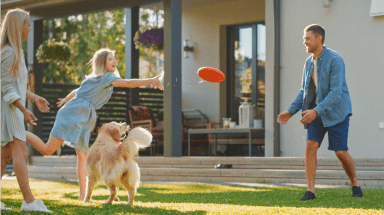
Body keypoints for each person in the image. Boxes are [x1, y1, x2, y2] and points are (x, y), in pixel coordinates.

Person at [26, 48, 164, 201]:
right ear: (102, 62)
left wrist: (66, 99)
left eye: (114, 59)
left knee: (82, 157)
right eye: (110, 59)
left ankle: (83, 196)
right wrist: (151, 80)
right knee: (48, 150)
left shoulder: (95, 79)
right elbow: (129, 83)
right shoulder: (107, 77)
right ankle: (21, 133)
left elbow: (78, 90)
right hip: (74, 114)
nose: (115, 62)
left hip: (81, 116)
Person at [277, 24, 363, 201]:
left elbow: (336, 93)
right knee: (310, 147)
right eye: (304, 38)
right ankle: (311, 191)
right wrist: (290, 111)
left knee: (340, 152)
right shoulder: (308, 63)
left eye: (307, 38)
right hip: (316, 112)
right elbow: (304, 91)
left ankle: (355, 183)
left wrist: (316, 111)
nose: (304, 42)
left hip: (337, 111)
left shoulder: (335, 59)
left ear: (319, 39)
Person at [0, 8, 53, 212]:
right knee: (20, 151)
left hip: (13, 109)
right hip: (9, 111)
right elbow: (6, 87)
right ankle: (29, 202)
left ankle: (29, 202)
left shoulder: (16, 51)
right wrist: (23, 109)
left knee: (5, 156)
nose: (30, 28)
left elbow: (17, 85)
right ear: (17, 26)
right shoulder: (8, 52)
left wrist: (34, 97)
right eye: (28, 24)